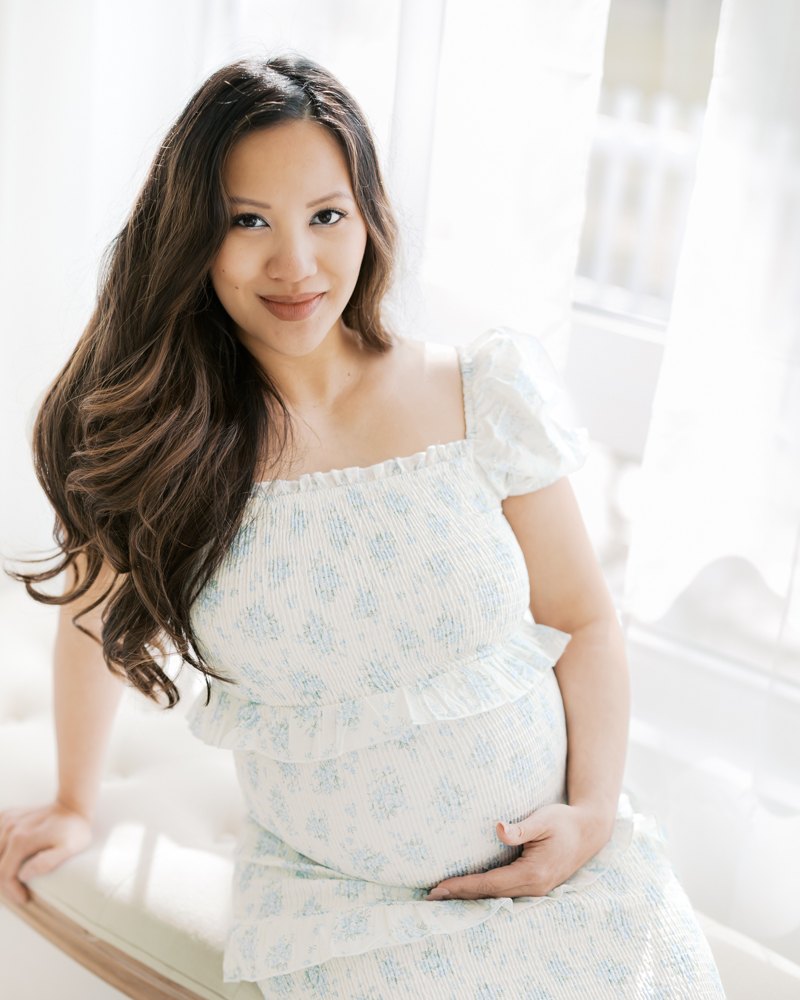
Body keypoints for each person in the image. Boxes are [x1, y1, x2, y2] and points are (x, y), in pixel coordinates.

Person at [0, 56, 724, 998]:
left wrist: (589, 816)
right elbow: (94, 619)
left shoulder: (482, 391)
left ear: (369, 220)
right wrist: (73, 801)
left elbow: (585, 619)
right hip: (340, 918)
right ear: (193, 238)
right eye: (247, 221)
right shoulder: (168, 443)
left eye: (326, 216)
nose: (295, 264)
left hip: (572, 884)